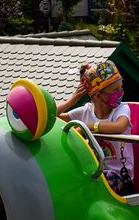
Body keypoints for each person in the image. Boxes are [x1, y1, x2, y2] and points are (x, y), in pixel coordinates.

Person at [57, 60, 135, 193]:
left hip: (118, 175)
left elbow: (119, 126)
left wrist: (89, 126)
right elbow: (53, 116)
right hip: (95, 170)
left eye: (121, 87)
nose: (121, 92)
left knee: (95, 187)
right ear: (98, 95)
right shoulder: (86, 111)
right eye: (115, 90)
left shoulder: (121, 109)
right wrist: (72, 100)